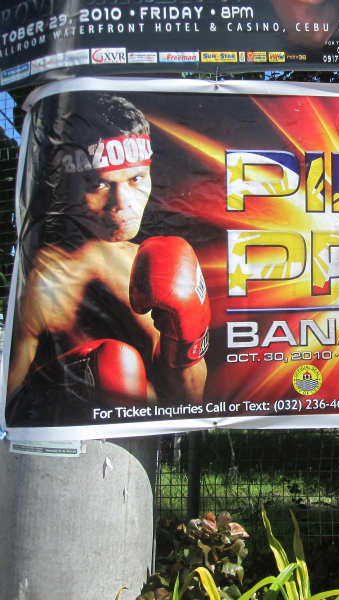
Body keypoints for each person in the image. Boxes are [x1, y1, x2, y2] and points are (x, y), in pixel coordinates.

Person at [5, 93, 210, 425]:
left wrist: (186, 340)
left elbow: (190, 401)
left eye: (136, 179)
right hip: (69, 449)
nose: (122, 202)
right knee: (117, 365)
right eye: (99, 184)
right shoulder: (45, 281)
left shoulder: (151, 264)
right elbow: (10, 409)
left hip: (145, 449)